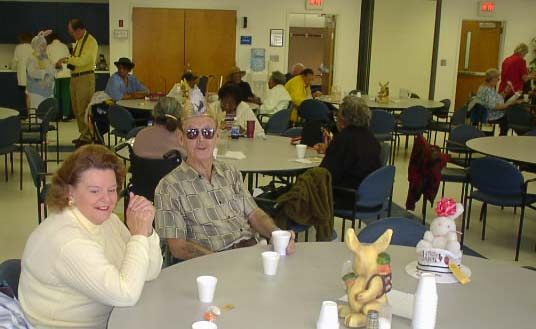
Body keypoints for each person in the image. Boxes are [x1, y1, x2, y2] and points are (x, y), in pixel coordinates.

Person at [18, 145, 162, 328]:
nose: (107, 200)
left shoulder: (107, 221)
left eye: (111, 189)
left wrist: (147, 230)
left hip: (112, 318)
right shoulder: (68, 241)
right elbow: (126, 294)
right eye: (95, 191)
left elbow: (149, 272)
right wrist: (139, 236)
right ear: (70, 192)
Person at [154, 101, 296, 261]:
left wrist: (277, 234)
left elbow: (254, 214)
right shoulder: (169, 187)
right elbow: (178, 247)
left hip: (252, 252)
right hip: (213, 264)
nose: (201, 139)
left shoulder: (231, 172)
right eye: (192, 133)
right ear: (181, 139)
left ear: (217, 136)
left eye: (207, 132)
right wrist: (221, 262)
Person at [315, 95, 381, 209]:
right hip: (373, 195)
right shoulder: (371, 138)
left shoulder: (343, 139)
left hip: (348, 196)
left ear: (343, 119)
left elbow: (325, 174)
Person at [63, 18, 98, 147]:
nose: (71, 35)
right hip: (75, 78)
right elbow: (77, 59)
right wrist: (71, 60)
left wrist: (68, 59)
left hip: (85, 77)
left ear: (79, 30)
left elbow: (84, 61)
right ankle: (83, 134)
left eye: (72, 32)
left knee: (84, 109)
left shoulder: (91, 42)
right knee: (77, 109)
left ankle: (88, 137)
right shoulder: (79, 41)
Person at [468, 68, 519, 135]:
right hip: (488, 115)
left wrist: (505, 91)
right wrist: (509, 103)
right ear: (493, 79)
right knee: (507, 116)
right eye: (498, 78)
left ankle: (501, 136)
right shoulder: (488, 91)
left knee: (506, 114)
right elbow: (495, 106)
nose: (498, 80)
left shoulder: (484, 87)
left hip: (484, 113)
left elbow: (496, 98)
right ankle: (502, 137)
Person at [26, 30, 56, 109]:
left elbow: (51, 70)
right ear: (36, 46)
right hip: (36, 92)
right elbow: (32, 73)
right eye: (42, 45)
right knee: (37, 115)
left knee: (46, 115)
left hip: (47, 92)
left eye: (45, 45)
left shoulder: (45, 57)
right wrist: (46, 73)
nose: (45, 47)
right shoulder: (32, 58)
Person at [47, 33, 72, 120]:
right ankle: (65, 115)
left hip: (56, 73)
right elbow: (68, 58)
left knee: (56, 95)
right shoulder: (64, 46)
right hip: (67, 73)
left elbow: (47, 60)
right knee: (66, 94)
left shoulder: (49, 47)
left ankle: (56, 115)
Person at [11, 32, 33, 111]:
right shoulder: (33, 47)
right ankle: (33, 116)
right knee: (32, 95)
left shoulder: (19, 47)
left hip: (24, 75)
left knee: (28, 95)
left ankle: (30, 115)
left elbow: (14, 61)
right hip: (34, 74)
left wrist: (12, 68)